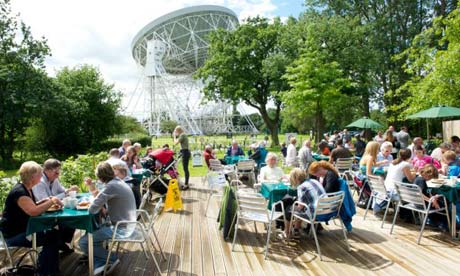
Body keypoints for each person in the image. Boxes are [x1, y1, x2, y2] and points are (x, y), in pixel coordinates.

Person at [0, 161, 63, 275]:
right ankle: (45, 271)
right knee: (52, 237)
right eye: (40, 173)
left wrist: (42, 202)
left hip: (25, 230)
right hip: (14, 235)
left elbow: (30, 206)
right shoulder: (20, 192)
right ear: (32, 176)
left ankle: (49, 269)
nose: (41, 176)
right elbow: (33, 211)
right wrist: (51, 201)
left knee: (53, 234)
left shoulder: (26, 188)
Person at [79, 162, 136, 274]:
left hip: (122, 228)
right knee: (93, 231)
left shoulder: (111, 186)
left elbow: (92, 209)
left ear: (100, 177)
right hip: (128, 222)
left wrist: (96, 204)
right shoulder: (118, 182)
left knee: (84, 242)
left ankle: (110, 259)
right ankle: (99, 262)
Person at [32, 158, 79, 253]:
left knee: (72, 217)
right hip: (42, 213)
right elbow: (46, 200)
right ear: (47, 170)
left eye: (59, 172)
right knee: (67, 219)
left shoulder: (54, 179)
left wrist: (69, 190)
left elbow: (62, 191)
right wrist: (65, 194)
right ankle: (59, 243)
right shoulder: (39, 182)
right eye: (56, 173)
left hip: (55, 210)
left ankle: (61, 242)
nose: (58, 175)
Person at [283, 168, 325, 237]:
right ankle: (296, 229)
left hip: (315, 214)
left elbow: (300, 207)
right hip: (326, 210)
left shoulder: (301, 187)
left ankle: (287, 232)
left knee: (289, 209)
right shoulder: (314, 181)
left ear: (296, 178)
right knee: (301, 205)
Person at [414, 164, 447, 230]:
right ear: (427, 175)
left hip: (417, 202)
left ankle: (433, 221)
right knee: (445, 204)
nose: (431, 180)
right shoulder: (422, 181)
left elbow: (428, 191)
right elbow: (419, 193)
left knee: (438, 202)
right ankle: (443, 224)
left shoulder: (418, 178)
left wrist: (433, 198)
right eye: (431, 178)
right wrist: (431, 200)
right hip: (422, 204)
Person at [173, 125, 191, 190]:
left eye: (176, 131)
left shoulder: (182, 135)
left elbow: (175, 143)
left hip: (185, 152)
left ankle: (186, 184)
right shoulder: (183, 135)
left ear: (178, 131)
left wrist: (174, 137)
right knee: (185, 168)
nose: (176, 132)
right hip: (184, 152)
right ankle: (186, 183)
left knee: (185, 168)